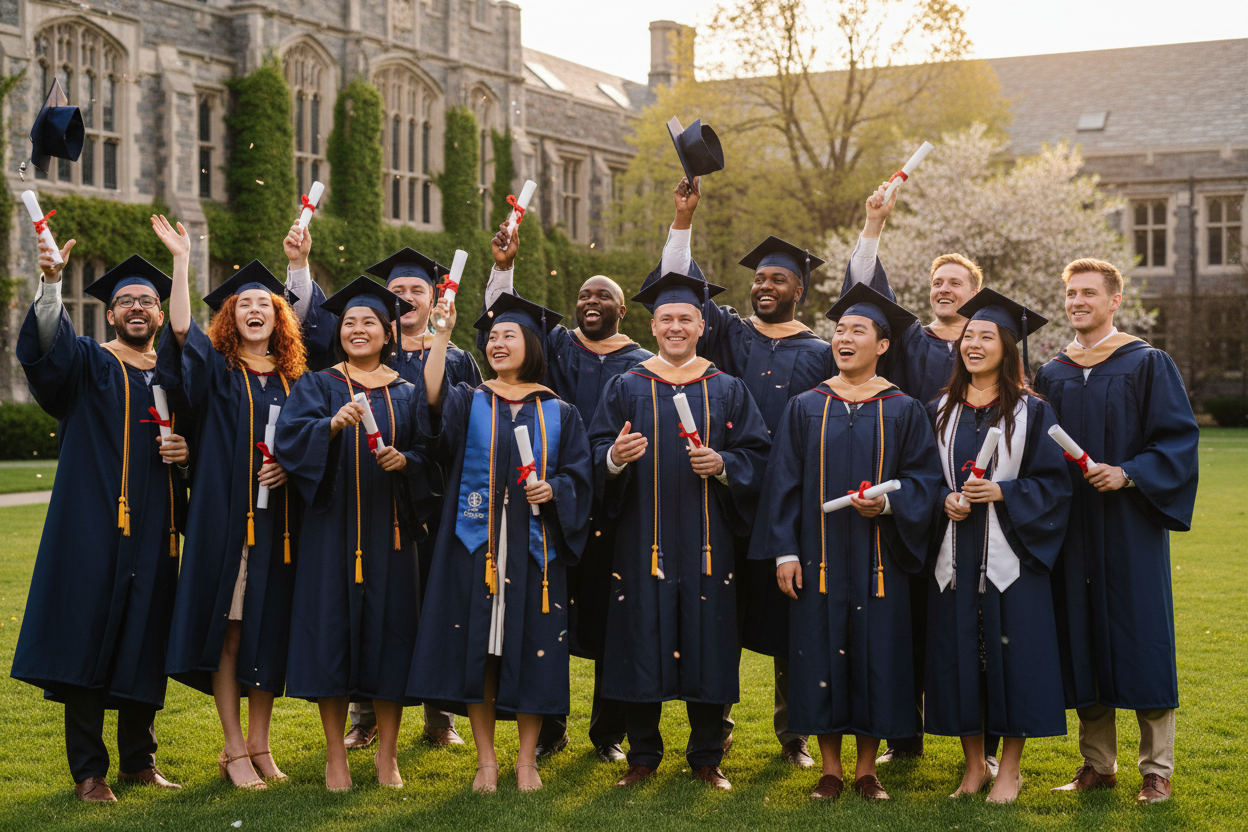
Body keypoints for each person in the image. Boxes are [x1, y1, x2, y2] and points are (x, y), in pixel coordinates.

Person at [653, 176, 833, 767]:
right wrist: (683, 220)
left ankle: (794, 734)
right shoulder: (729, 332)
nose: (763, 286)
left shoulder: (822, 350)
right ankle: (717, 731)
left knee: (794, 620)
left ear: (798, 289)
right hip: (725, 493)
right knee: (720, 613)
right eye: (758, 278)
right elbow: (680, 291)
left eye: (777, 279)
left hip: (793, 499)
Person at [749, 283, 942, 801]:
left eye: (859, 331)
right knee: (819, 655)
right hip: (819, 558)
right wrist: (785, 552)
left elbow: (926, 480)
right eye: (840, 331)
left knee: (878, 655)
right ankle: (830, 769)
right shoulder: (805, 406)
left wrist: (890, 504)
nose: (845, 338)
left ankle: (866, 769)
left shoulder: (903, 409)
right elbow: (783, 483)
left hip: (881, 560)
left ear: (882, 345)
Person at [12, 239, 189, 802]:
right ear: (110, 313)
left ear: (162, 314)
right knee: (87, 636)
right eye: (126, 301)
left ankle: (140, 760)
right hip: (92, 527)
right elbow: (48, 355)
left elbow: (213, 437)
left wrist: (187, 450)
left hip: (157, 529)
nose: (137, 308)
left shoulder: (176, 376)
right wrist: (49, 285)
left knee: (146, 637)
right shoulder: (90, 361)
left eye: (147, 301)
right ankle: (89, 771)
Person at [588, 271, 772, 791]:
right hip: (640, 540)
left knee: (710, 640)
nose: (675, 327)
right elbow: (594, 452)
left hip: (708, 544)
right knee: (639, 635)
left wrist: (725, 464)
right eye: (666, 318)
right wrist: (614, 459)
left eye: (685, 319)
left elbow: (760, 455)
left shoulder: (728, 389)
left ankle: (707, 757)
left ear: (701, 326)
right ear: (652, 326)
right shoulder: (626, 385)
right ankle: (642, 755)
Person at [407, 292, 593, 793]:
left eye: (509, 334)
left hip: (536, 553)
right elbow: (429, 403)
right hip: (474, 547)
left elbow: (580, 476)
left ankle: (527, 760)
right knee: (478, 653)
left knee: (533, 649)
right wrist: (441, 335)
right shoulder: (471, 399)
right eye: (492, 337)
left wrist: (555, 489)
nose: (498, 343)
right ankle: (486, 760)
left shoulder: (560, 411)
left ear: (531, 344)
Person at [484, 223, 652, 762]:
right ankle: (551, 727)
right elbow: (503, 325)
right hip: (550, 499)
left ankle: (607, 734)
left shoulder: (642, 364)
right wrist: (505, 267)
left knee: (613, 621)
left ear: (621, 309)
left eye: (603, 294)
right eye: (583, 294)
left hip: (618, 504)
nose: (590, 301)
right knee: (549, 613)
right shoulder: (556, 347)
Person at [1034, 259, 1199, 805]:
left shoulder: (1147, 363)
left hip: (1131, 525)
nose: (1077, 301)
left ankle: (1156, 769)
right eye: (1071, 294)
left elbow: (1176, 440)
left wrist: (1128, 473)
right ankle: (1097, 764)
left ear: (1114, 301)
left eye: (1088, 293)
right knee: (1081, 635)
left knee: (1143, 637)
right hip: (1072, 528)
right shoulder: (1053, 372)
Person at [156, 213, 308, 789]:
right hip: (225, 520)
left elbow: (313, 440)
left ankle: (261, 746)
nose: (253, 310)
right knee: (230, 628)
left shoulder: (298, 381)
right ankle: (233, 748)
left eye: (264, 304)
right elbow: (180, 334)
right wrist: (181, 262)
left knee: (268, 628)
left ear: (278, 318)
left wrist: (291, 464)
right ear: (230, 317)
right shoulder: (218, 372)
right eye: (243, 303)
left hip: (281, 524)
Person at [842, 180, 987, 764]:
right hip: (909, 489)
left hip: (970, 493)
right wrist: (874, 225)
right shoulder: (906, 340)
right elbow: (864, 292)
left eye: (954, 282)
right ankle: (904, 737)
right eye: (936, 282)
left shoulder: (989, 343)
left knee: (969, 619)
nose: (943, 289)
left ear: (975, 293)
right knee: (904, 613)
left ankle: (980, 742)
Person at [275, 277, 430, 791]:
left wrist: (404, 461)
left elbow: (433, 458)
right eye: (348, 323)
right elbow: (290, 442)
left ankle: (387, 756)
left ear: (388, 333)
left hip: (390, 536)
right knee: (331, 639)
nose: (357, 330)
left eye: (368, 323)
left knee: (392, 640)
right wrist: (330, 427)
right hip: (330, 531)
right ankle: (335, 755)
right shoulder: (318, 385)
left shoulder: (406, 392)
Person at [927, 289, 1072, 804]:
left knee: (1018, 660)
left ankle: (1009, 769)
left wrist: (1004, 492)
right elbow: (922, 477)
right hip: (954, 556)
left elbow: (1056, 484)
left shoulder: (1034, 412)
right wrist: (944, 497)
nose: (974, 344)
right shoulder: (940, 409)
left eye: (987, 336)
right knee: (959, 656)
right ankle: (973, 766)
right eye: (969, 336)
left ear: (1008, 348)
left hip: (1013, 556)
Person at [338, 247, 482, 750]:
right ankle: (365, 713)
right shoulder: (375, 355)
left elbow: (471, 426)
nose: (406, 298)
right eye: (396, 292)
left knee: (437, 602)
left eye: (416, 290)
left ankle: (439, 716)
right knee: (374, 599)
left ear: (433, 297)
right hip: (380, 494)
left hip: (442, 496)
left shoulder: (460, 358)